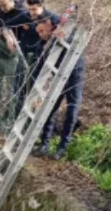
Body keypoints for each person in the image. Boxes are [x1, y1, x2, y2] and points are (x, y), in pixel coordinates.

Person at [30, 14, 85, 160]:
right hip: (57, 75)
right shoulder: (44, 43)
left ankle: (62, 148)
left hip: (74, 74)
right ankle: (44, 144)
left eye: (42, 31)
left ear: (50, 27)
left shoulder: (63, 31)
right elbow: (39, 67)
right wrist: (36, 93)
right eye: (38, 32)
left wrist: (65, 35)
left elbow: (74, 17)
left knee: (72, 110)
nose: (40, 35)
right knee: (49, 108)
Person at [0, 0, 27, 126]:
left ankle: (8, 118)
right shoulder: (0, 10)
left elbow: (26, 31)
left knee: (11, 90)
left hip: (13, 56)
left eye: (4, 5)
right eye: (0, 6)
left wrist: (14, 40)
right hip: (0, 52)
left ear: (11, 1)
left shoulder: (21, 12)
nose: (2, 9)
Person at [13, 0, 57, 115]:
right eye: (30, 9)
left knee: (34, 92)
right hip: (24, 56)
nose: (31, 12)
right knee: (18, 88)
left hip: (39, 60)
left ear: (42, 6)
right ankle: (16, 119)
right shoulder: (25, 16)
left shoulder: (52, 18)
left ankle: (29, 121)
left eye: (34, 9)